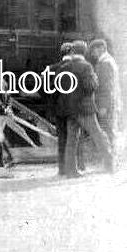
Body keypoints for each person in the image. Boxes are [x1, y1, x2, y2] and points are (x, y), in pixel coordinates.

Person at [59, 40, 114, 176]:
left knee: (71, 141)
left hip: (70, 110)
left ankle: (71, 171)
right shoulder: (86, 66)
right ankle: (109, 165)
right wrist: (95, 79)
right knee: (98, 136)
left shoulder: (65, 67)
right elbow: (91, 86)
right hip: (85, 109)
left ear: (73, 52)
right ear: (84, 52)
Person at [90, 39, 121, 147]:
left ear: (102, 48)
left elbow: (105, 87)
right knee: (110, 130)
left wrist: (103, 105)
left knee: (107, 130)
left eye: (94, 50)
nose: (93, 54)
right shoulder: (110, 61)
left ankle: (110, 159)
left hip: (106, 104)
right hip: (111, 102)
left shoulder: (104, 63)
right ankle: (112, 157)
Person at [49, 42, 74, 175]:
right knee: (75, 139)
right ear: (72, 53)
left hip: (59, 109)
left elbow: (44, 88)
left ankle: (62, 169)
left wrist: (51, 103)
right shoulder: (76, 66)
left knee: (62, 139)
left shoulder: (52, 68)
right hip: (74, 109)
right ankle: (76, 167)